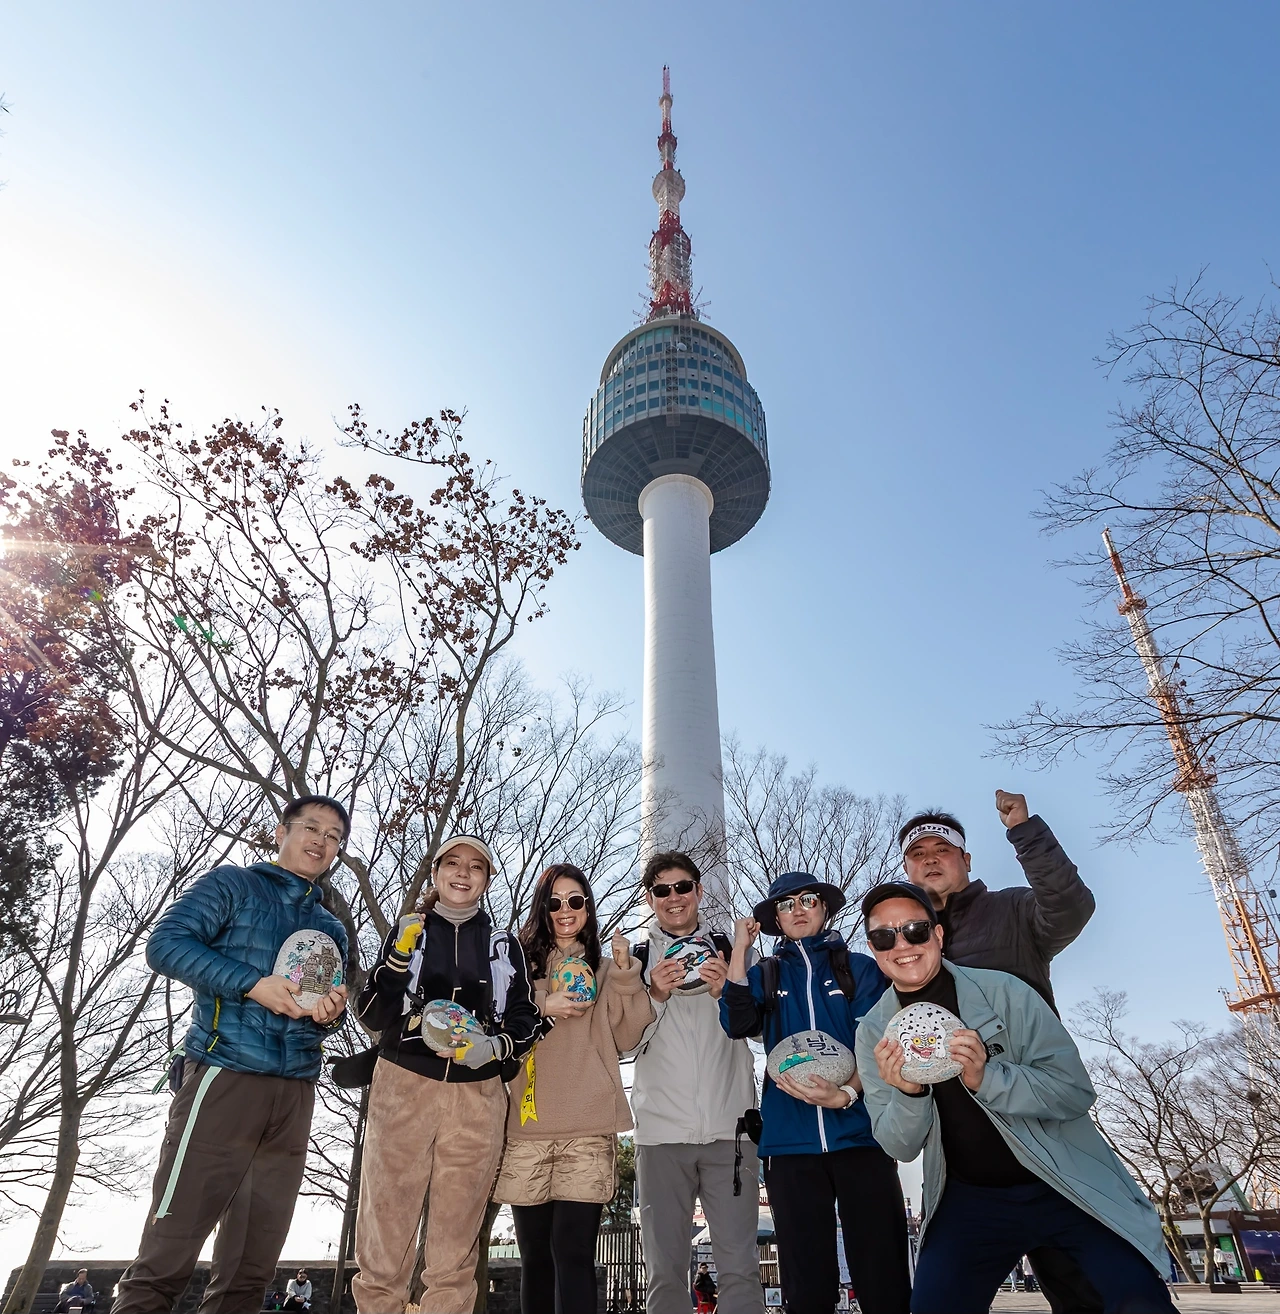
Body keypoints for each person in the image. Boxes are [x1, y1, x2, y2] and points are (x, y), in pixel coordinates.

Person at [856, 881, 1176, 1314]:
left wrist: (987, 1078)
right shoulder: (874, 1032)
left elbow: (1073, 1090)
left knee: (1138, 1302)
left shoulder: (1006, 992)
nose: (902, 945)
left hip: (1063, 1182)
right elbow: (899, 1145)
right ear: (873, 949)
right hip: (969, 1198)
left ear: (939, 935)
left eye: (916, 930)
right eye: (883, 936)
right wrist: (908, 1092)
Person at [114, 796, 351, 1314]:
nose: (321, 841)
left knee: (252, 1266)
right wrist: (251, 984)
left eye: (333, 837)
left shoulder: (332, 927)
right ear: (281, 832)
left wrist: (330, 1014)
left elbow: (321, 1007)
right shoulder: (233, 885)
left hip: (295, 1093)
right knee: (169, 1248)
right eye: (311, 827)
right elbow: (166, 945)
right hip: (224, 1076)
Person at [901, 790, 1101, 1314]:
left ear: (966, 860)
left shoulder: (1012, 910)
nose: (930, 860)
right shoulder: (903, 948)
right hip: (962, 1152)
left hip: (1043, 1135)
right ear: (907, 870)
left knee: (1087, 1293)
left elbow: (1070, 908)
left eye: (942, 851)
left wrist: (1025, 831)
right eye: (917, 854)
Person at [352, 834, 540, 1314]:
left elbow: (524, 1015)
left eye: (476, 866)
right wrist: (397, 957)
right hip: (403, 1083)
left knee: (457, 1235)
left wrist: (497, 1046)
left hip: (477, 1095)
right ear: (436, 873)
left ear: (486, 880)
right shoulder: (409, 932)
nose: (463, 872)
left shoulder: (503, 946)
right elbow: (372, 1013)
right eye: (452, 863)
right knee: (385, 1222)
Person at [720, 873, 911, 1314]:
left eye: (808, 900)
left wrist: (848, 1093)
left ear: (824, 907)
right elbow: (736, 1023)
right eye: (786, 905)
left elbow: (879, 1043)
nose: (798, 910)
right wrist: (740, 951)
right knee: (807, 1284)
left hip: (862, 1137)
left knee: (883, 1275)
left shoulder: (858, 968)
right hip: (790, 1145)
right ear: (776, 919)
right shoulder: (765, 973)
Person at [494, 863, 655, 1314]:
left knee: (575, 1253)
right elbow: (497, 1023)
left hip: (587, 1125)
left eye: (576, 900)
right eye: (555, 901)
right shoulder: (517, 969)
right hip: (527, 1125)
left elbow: (628, 1036)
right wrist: (542, 1003)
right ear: (542, 908)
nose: (566, 909)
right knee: (535, 1259)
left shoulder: (604, 969)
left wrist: (625, 973)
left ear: (588, 907)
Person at [627, 852, 764, 1314]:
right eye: (662, 890)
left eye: (683, 886)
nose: (674, 897)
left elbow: (763, 1031)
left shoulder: (733, 950)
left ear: (699, 891)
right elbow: (623, 1044)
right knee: (664, 1273)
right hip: (660, 1136)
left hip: (732, 1133)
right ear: (650, 898)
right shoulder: (635, 961)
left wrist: (729, 991)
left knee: (740, 1267)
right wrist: (654, 995)